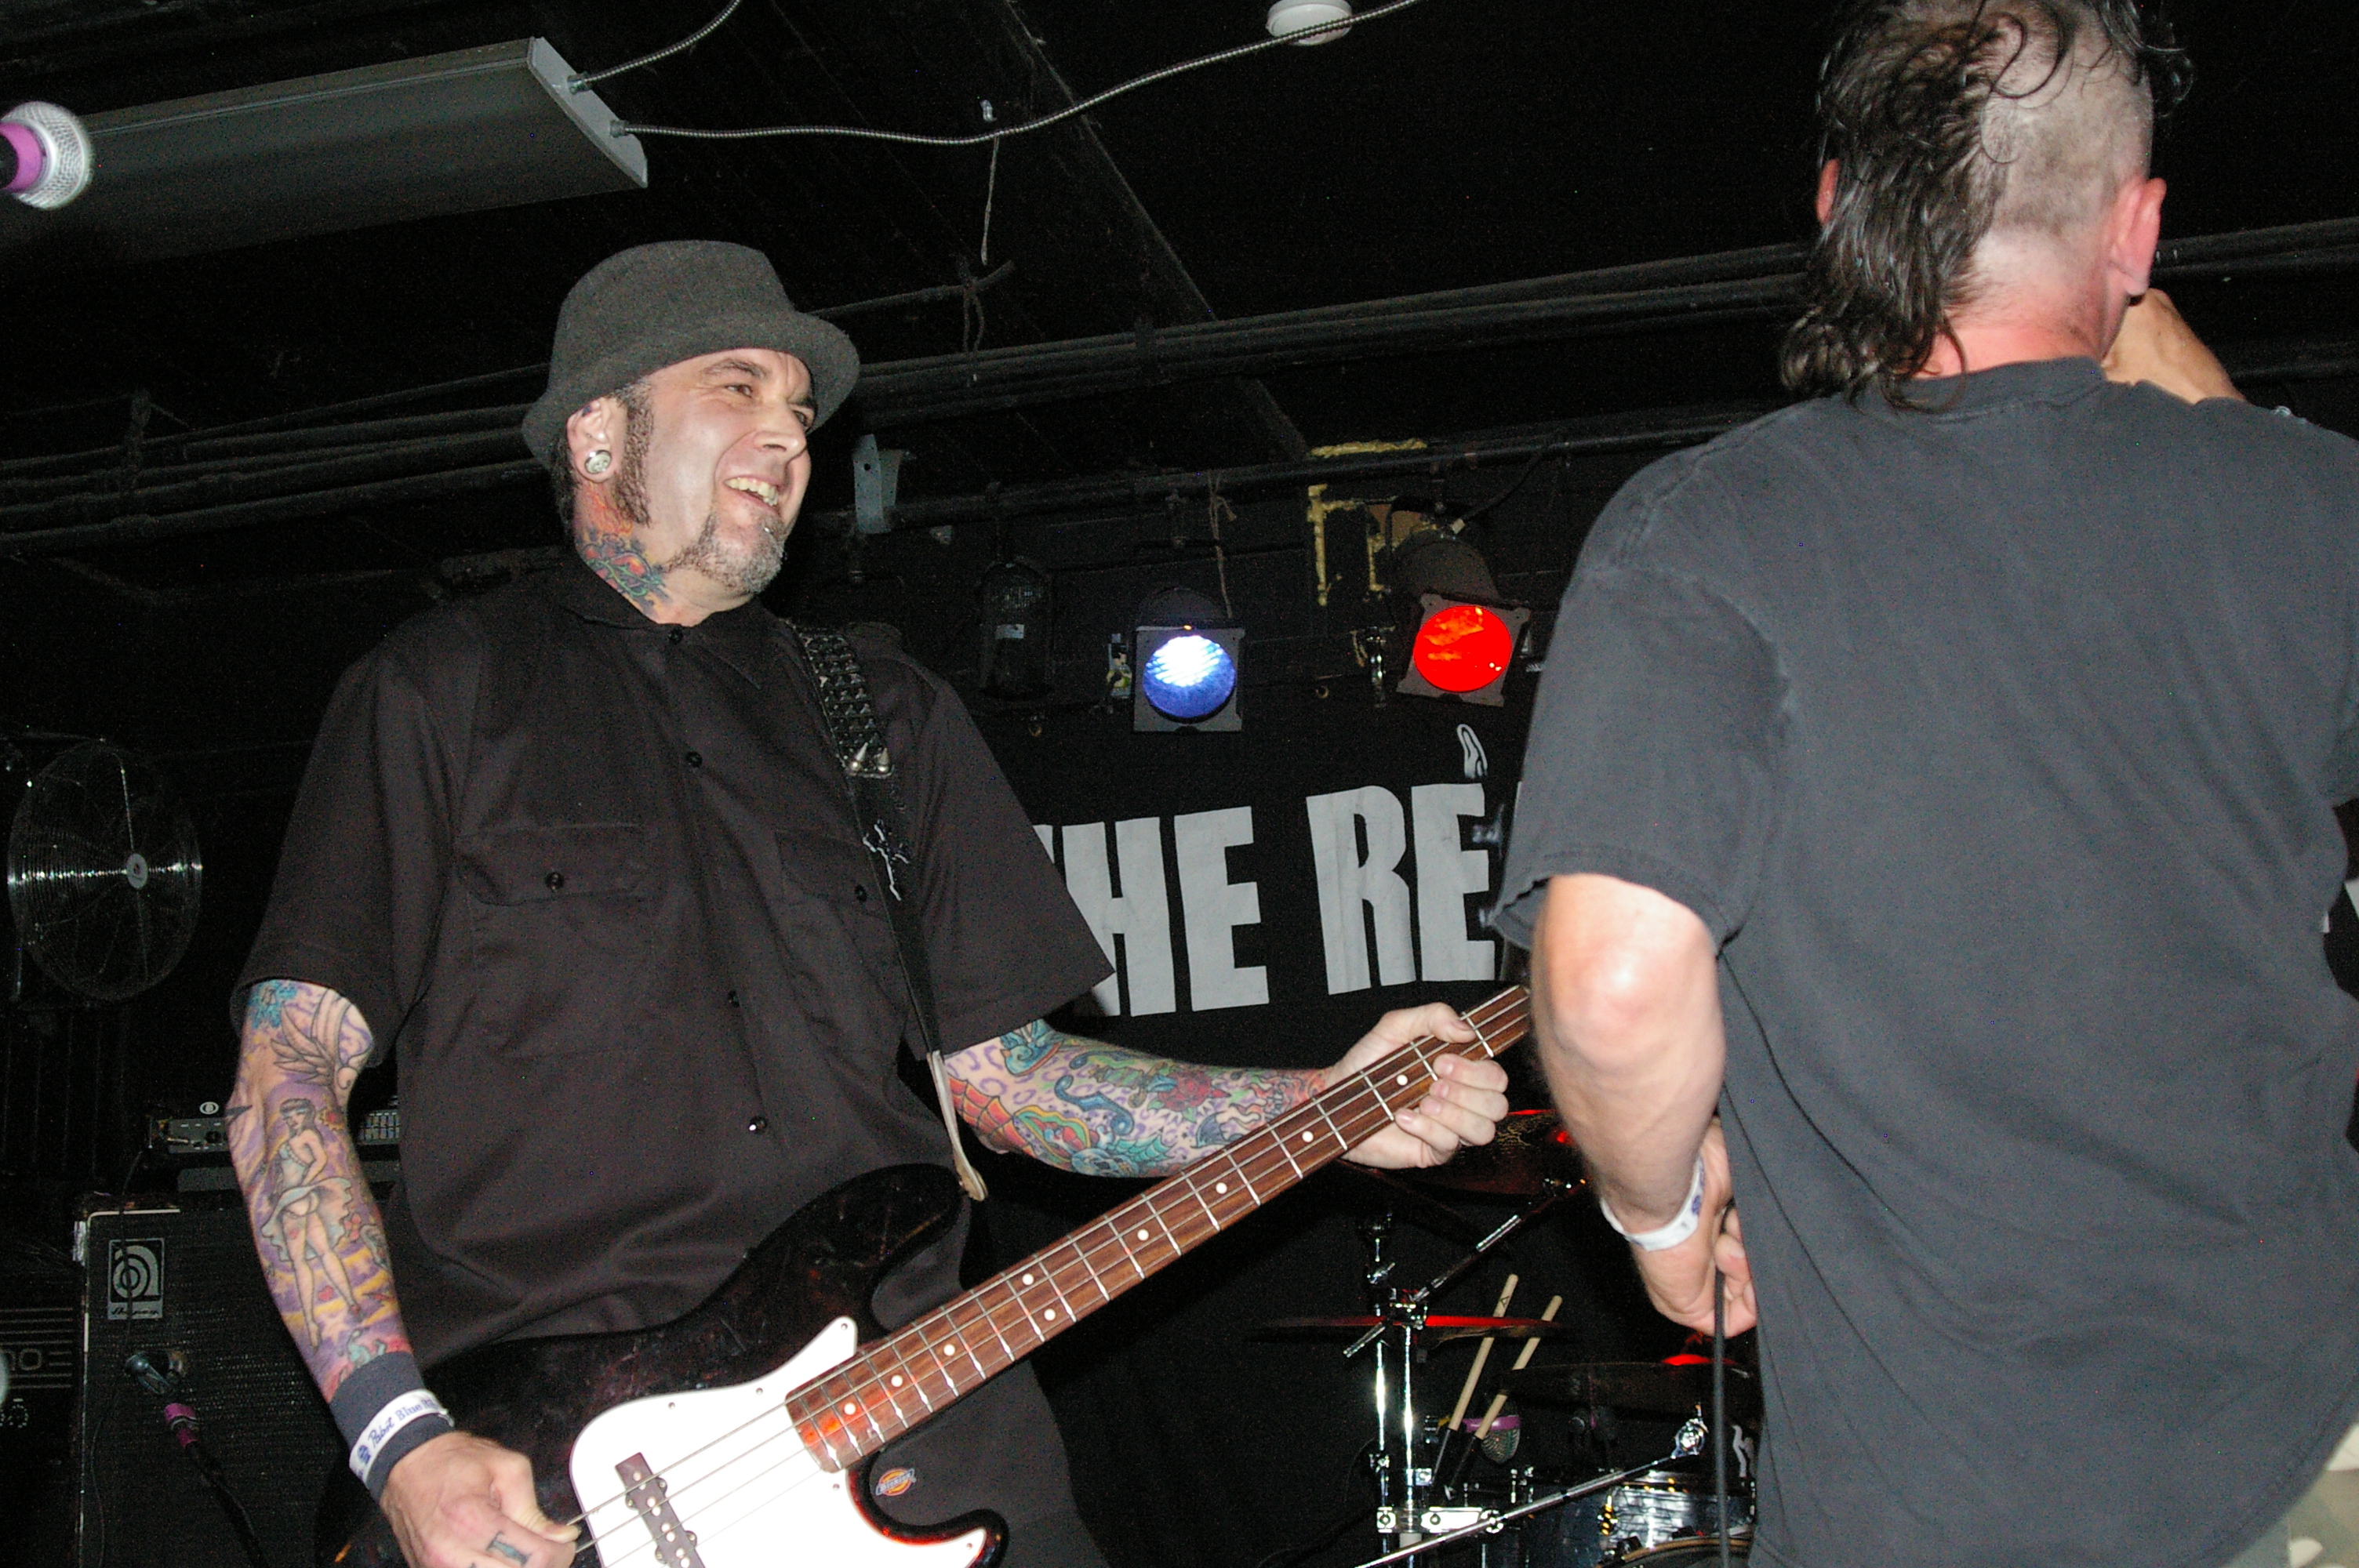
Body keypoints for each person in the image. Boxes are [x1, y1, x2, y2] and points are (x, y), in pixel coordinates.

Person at [224, 240, 1509, 1568]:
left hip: (915, 1411)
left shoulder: (880, 715)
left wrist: (1318, 1103)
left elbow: (1009, 1080)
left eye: (800, 408)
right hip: (556, 1461)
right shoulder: (438, 691)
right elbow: (287, 1076)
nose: (790, 435)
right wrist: (395, 1434)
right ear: (599, 430)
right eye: (738, 386)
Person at [1494, 5, 2359, 1566]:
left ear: (1839, 210)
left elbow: (1614, 990)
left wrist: (1659, 1219)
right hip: (2310, 1451)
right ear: (2139, 227)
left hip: (1938, 1508)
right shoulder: (2311, 503)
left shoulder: (1705, 533)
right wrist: (2219, 413)